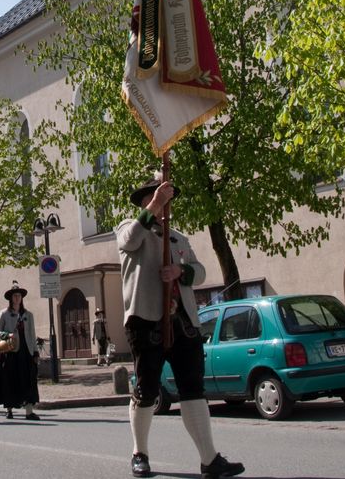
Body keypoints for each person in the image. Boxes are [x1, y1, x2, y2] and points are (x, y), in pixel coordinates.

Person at [117, 178, 244, 479]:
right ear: (146, 203)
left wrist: (181, 271)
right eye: (158, 200)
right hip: (146, 319)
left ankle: (209, 459)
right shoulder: (129, 227)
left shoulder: (178, 238)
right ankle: (140, 453)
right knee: (147, 388)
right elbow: (129, 241)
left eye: (166, 201)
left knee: (193, 389)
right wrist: (154, 205)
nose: (164, 207)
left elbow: (199, 272)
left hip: (183, 321)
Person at [0, 282, 40, 420]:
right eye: (15, 296)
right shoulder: (4, 313)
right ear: (11, 298)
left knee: (29, 380)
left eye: (19, 296)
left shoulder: (28, 315)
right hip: (11, 351)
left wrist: (35, 352)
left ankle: (29, 411)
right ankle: (9, 409)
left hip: (26, 351)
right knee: (10, 380)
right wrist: (7, 335)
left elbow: (32, 334)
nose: (17, 298)